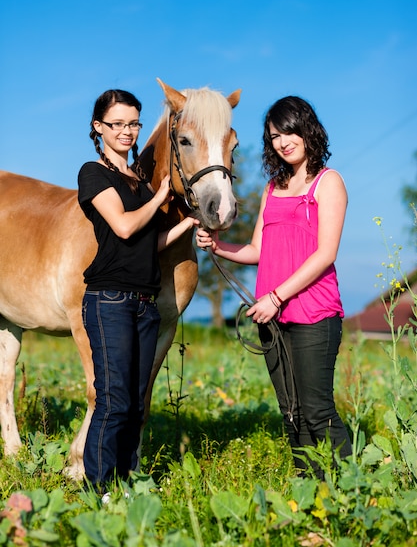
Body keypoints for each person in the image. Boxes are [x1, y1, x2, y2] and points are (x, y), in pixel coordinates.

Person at [196, 95, 352, 478]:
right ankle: (308, 487)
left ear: (307, 129)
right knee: (292, 412)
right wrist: (218, 247)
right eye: (274, 136)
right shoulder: (272, 187)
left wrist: (276, 296)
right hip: (272, 316)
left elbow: (325, 254)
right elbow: (256, 249)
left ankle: (351, 488)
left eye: (289, 131)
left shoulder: (328, 183)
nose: (283, 141)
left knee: (317, 410)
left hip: (313, 312)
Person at [78, 89, 198, 494]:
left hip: (145, 304)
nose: (127, 132)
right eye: (117, 124)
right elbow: (126, 228)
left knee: (137, 403)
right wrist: (162, 196)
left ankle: (126, 483)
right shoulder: (93, 174)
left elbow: (149, 245)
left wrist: (188, 226)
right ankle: (98, 489)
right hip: (108, 300)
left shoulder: (139, 181)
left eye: (134, 123)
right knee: (112, 401)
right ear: (99, 127)